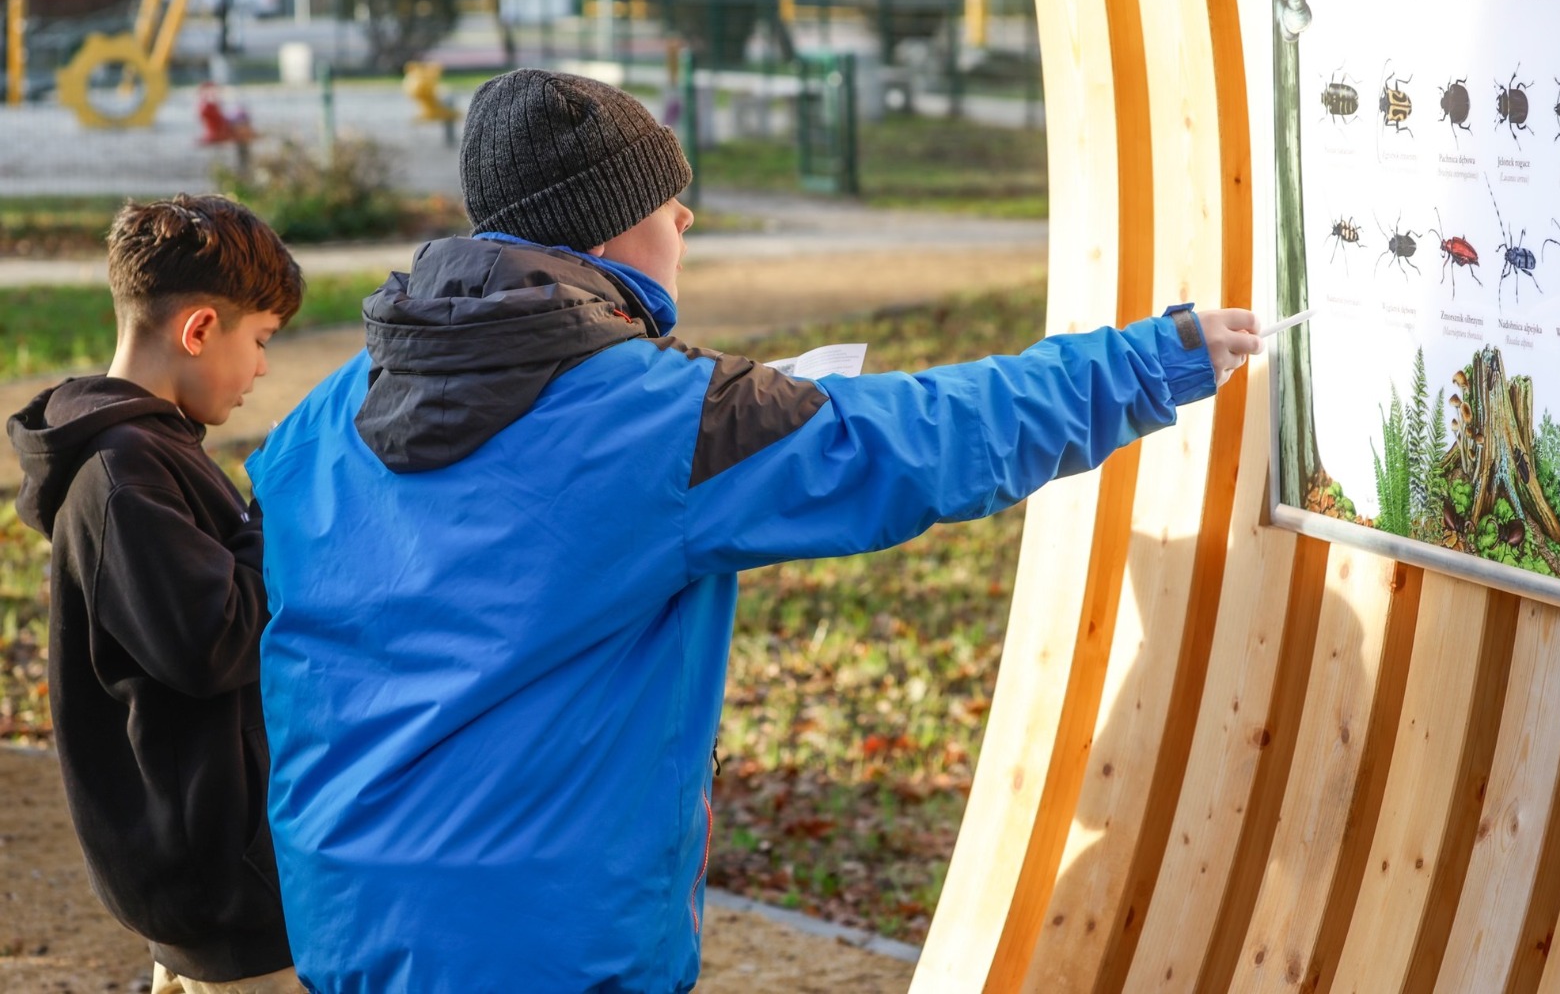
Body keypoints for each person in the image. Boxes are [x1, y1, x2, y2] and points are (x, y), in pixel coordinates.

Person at [246, 69, 1261, 993]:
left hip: (352, 916)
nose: (684, 214)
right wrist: (1141, 364)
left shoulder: (317, 423)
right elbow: (921, 441)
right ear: (605, 233)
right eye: (665, 200)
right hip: (545, 944)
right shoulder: (663, 419)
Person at [6, 196, 307, 994]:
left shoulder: (151, 450)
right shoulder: (122, 475)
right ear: (200, 329)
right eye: (262, 341)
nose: (263, 370)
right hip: (219, 893)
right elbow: (212, 640)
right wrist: (278, 509)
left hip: (212, 879)